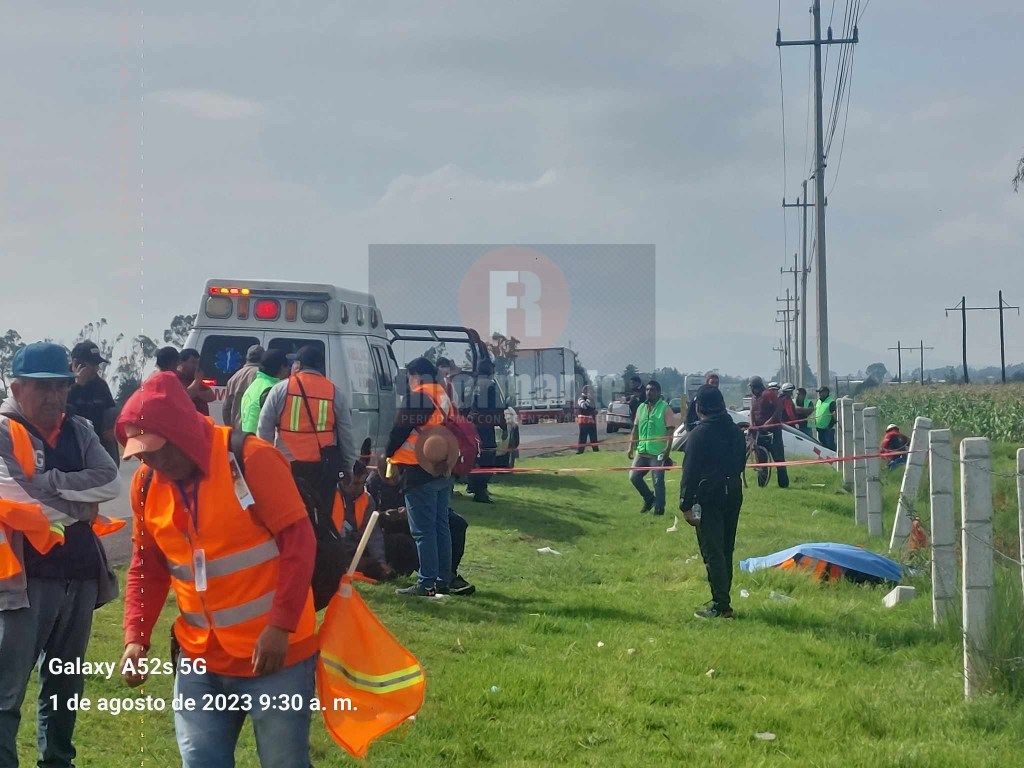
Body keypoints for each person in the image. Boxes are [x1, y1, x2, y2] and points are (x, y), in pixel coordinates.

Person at [115, 371, 317, 767]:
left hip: (275, 654)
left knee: (284, 762)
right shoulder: (145, 483)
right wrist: (135, 637)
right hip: (199, 657)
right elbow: (146, 566)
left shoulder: (251, 458)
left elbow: (300, 544)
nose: (151, 461)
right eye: (141, 454)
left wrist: (280, 627)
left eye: (157, 450)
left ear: (182, 432)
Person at [0, 342, 121, 768]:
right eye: (42, 387)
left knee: (65, 687)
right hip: (24, 581)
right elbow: (14, 497)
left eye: (61, 387)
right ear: (17, 387)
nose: (54, 397)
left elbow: (110, 482)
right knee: (7, 691)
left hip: (80, 573)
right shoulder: (3, 429)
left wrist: (48, 483)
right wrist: (82, 508)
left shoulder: (79, 429)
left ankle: (57, 762)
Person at [381, 357, 458, 597]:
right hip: (441, 467)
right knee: (440, 527)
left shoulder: (419, 396)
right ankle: (443, 580)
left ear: (416, 375)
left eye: (409, 377)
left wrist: (387, 454)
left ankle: (426, 583)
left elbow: (399, 430)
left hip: (418, 468)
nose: (409, 382)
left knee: (423, 531)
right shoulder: (442, 394)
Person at [257, 345, 357, 507]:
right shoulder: (335, 393)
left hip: (288, 463)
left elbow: (264, 429)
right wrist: (348, 467)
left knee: (291, 511)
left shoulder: (280, 389)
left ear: (298, 365)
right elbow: (346, 434)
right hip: (323, 466)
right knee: (321, 514)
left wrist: (266, 464)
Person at [679, 385, 746, 620]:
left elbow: (690, 473)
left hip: (709, 495)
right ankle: (723, 598)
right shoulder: (736, 431)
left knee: (713, 550)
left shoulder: (699, 434)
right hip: (733, 492)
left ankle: (721, 604)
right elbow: (740, 463)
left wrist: (685, 505)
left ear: (699, 407)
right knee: (726, 548)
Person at [366, 463, 474, 594]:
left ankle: (447, 574)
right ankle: (430, 580)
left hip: (419, 506)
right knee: (421, 535)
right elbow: (368, 515)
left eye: (392, 474)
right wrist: (384, 515)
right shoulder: (373, 483)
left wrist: (409, 512)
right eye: (385, 474)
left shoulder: (409, 475)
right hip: (390, 527)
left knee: (456, 523)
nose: (390, 478)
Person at [336, 461, 393, 581]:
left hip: (357, 547)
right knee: (370, 567)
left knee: (398, 543)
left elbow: (373, 533)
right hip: (337, 549)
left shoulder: (367, 499)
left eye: (363, 483)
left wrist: (380, 560)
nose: (360, 488)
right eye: (356, 483)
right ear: (343, 481)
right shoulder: (331, 497)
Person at [67, 341, 119, 465]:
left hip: (98, 441)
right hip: (73, 441)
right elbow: (60, 409)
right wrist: (77, 385)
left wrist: (113, 428)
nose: (96, 369)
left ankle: (112, 471)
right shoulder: (63, 382)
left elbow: (112, 410)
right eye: (92, 365)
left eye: (97, 365)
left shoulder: (100, 385)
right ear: (77, 364)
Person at [628, 380, 674, 515]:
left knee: (658, 481)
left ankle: (659, 509)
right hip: (642, 451)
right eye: (647, 390)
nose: (649, 392)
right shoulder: (641, 408)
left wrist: (667, 450)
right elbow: (635, 429)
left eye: (652, 390)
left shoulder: (665, 408)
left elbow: (670, 431)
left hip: (657, 452)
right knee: (634, 477)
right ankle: (649, 498)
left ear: (658, 392)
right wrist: (631, 447)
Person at [464, 359, 506, 504]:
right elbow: (498, 409)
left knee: (473, 457)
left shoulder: (469, 384)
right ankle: (480, 491)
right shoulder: (490, 385)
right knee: (487, 458)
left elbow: (463, 406)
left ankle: (472, 486)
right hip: (485, 427)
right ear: (490, 371)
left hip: (469, 426)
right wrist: (503, 427)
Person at [748, 376, 789, 488]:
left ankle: (783, 485)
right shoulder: (754, 398)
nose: (751, 390)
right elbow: (752, 412)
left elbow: (779, 408)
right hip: (760, 432)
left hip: (773, 431)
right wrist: (752, 425)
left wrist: (769, 422)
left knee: (779, 458)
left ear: (756, 387)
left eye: (752, 387)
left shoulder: (768, 394)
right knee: (761, 460)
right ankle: (762, 485)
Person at [239, 349, 290, 434]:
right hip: (260, 440)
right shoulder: (271, 389)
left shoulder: (255, 384)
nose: (289, 369)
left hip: (248, 438)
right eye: (287, 366)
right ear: (281, 367)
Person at [222, 344, 264, 431]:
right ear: (262, 358)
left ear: (247, 358)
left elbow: (226, 408)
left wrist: (230, 428)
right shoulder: (262, 376)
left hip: (237, 430)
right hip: (254, 429)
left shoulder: (234, 378)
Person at [176, 348, 214, 416]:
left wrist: (197, 393)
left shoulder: (195, 376)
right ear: (181, 362)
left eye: (197, 362)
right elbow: (185, 396)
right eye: (193, 362)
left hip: (202, 418)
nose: (196, 366)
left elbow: (211, 396)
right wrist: (196, 381)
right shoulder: (176, 378)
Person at [576, 385, 599, 453]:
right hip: (584, 422)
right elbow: (584, 406)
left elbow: (592, 409)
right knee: (583, 438)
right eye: (590, 391)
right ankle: (580, 451)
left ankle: (596, 451)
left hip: (592, 422)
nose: (592, 393)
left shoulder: (592, 400)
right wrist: (589, 399)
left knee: (593, 438)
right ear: (586, 391)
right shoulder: (580, 399)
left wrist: (594, 412)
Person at [813, 386, 837, 451]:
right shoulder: (818, 401)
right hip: (820, 429)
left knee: (830, 447)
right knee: (822, 448)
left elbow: (835, 416)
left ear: (826, 392)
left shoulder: (831, 402)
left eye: (821, 392)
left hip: (828, 430)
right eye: (819, 392)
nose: (820, 394)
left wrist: (829, 426)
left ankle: (832, 457)